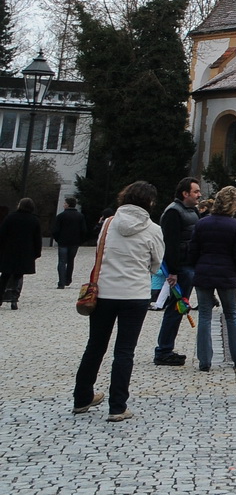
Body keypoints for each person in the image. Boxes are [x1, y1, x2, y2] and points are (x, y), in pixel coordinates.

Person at [73, 181, 164, 422]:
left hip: (104, 292)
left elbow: (100, 253)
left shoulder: (108, 223)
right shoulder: (153, 229)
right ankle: (117, 406)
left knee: (95, 345)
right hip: (134, 294)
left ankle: (82, 397)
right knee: (124, 351)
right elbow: (156, 265)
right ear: (150, 203)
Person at [187, 186, 236, 371]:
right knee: (231, 315)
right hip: (226, 272)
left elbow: (193, 250)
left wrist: (197, 266)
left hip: (204, 271)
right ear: (233, 204)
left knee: (205, 315)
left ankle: (204, 361)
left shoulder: (202, 223)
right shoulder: (235, 226)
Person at [152, 177, 201, 365]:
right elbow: (170, 244)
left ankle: (166, 348)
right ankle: (163, 350)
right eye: (196, 191)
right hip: (180, 267)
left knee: (178, 309)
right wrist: (172, 271)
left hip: (188, 264)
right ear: (185, 193)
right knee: (175, 308)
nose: (199, 195)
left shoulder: (191, 211)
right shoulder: (173, 212)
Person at [0, 196, 43, 308]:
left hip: (9, 251)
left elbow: (2, 235)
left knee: (4, 276)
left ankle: (0, 297)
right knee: (18, 276)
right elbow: (37, 239)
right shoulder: (34, 220)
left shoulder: (10, 218)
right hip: (25, 252)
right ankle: (14, 299)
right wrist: (36, 253)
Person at [53, 197, 85, 289]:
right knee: (71, 261)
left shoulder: (61, 216)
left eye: (64, 203)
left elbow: (55, 230)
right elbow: (83, 230)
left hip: (63, 241)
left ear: (67, 204)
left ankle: (61, 282)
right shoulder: (80, 216)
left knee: (62, 261)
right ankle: (68, 279)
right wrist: (80, 240)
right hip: (75, 242)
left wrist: (57, 239)